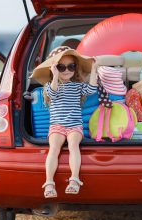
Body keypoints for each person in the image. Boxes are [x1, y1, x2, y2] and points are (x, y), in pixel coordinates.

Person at [30, 46, 98, 198]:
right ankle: (49, 183)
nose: (66, 70)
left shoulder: (78, 86)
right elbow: (53, 93)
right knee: (54, 148)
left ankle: (74, 179)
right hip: (57, 126)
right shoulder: (50, 86)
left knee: (74, 145)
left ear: (76, 68)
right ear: (54, 68)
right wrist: (55, 76)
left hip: (74, 125)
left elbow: (92, 89)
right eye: (61, 67)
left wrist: (94, 70)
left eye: (71, 66)